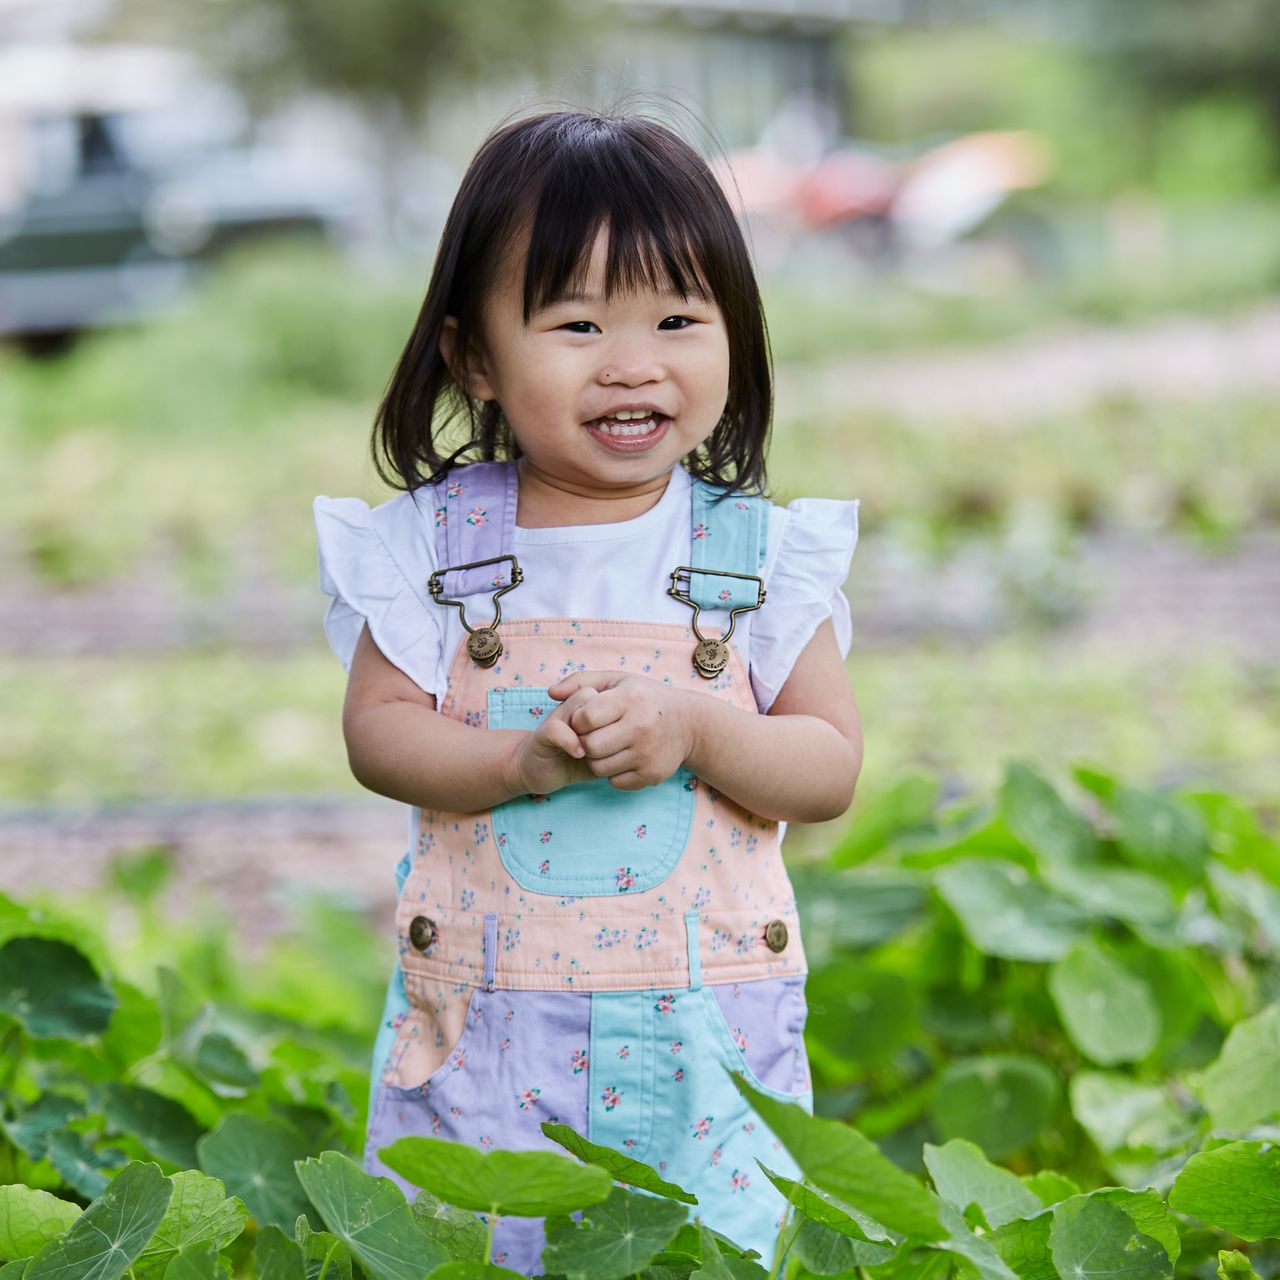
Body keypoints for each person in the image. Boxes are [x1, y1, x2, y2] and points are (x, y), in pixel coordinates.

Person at [314, 107, 862, 1275]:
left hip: (701, 1037)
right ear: (473, 358)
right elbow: (377, 733)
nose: (631, 361)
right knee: (478, 1245)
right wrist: (513, 763)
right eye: (574, 324)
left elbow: (826, 765)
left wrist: (704, 727)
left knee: (695, 1251)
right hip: (490, 1031)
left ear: (734, 334)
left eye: (676, 318)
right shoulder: (431, 546)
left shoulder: (760, 557)